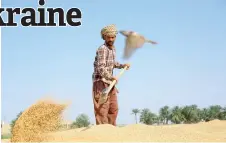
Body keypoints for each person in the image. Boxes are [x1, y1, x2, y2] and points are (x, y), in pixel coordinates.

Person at [92, 24, 130, 126]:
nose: (111, 39)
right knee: (102, 109)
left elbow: (112, 63)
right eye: (108, 37)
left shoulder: (113, 49)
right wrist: (111, 76)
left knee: (113, 108)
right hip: (100, 82)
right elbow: (101, 68)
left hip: (110, 83)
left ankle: (111, 132)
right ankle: (102, 133)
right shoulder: (102, 49)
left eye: (113, 37)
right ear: (104, 37)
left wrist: (122, 66)